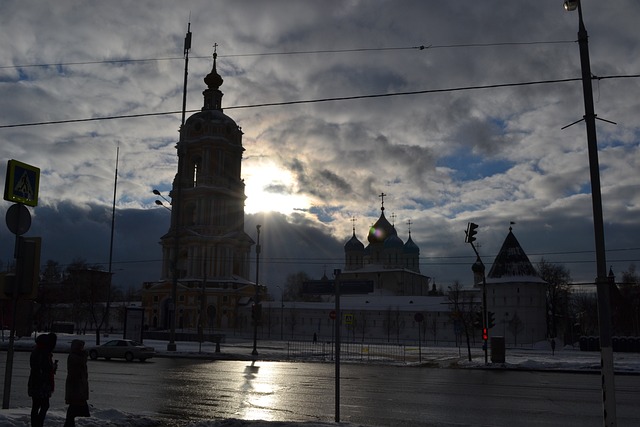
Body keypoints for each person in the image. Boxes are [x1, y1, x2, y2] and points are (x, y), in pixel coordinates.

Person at [28, 333, 57, 427]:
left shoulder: (37, 351)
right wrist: (52, 368)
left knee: (36, 405)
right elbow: (45, 368)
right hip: (41, 384)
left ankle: (36, 424)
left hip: (36, 382)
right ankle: (38, 424)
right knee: (44, 405)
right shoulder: (44, 353)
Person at [64, 339, 90, 427]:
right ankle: (69, 425)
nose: (82, 349)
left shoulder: (76, 355)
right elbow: (81, 363)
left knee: (75, 407)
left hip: (79, 385)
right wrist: (84, 355)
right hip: (76, 386)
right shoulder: (74, 357)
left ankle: (69, 424)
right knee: (75, 407)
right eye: (80, 347)